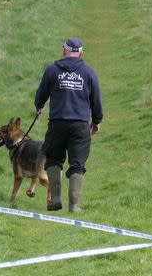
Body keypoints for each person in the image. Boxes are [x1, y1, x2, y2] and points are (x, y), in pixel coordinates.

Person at [34, 37, 103, 212]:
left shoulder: (52, 70)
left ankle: (55, 199)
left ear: (63, 50)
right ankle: (74, 205)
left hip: (57, 124)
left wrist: (39, 105)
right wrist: (96, 121)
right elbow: (96, 100)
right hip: (80, 125)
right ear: (81, 52)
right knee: (77, 164)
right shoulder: (89, 73)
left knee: (54, 160)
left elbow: (40, 95)